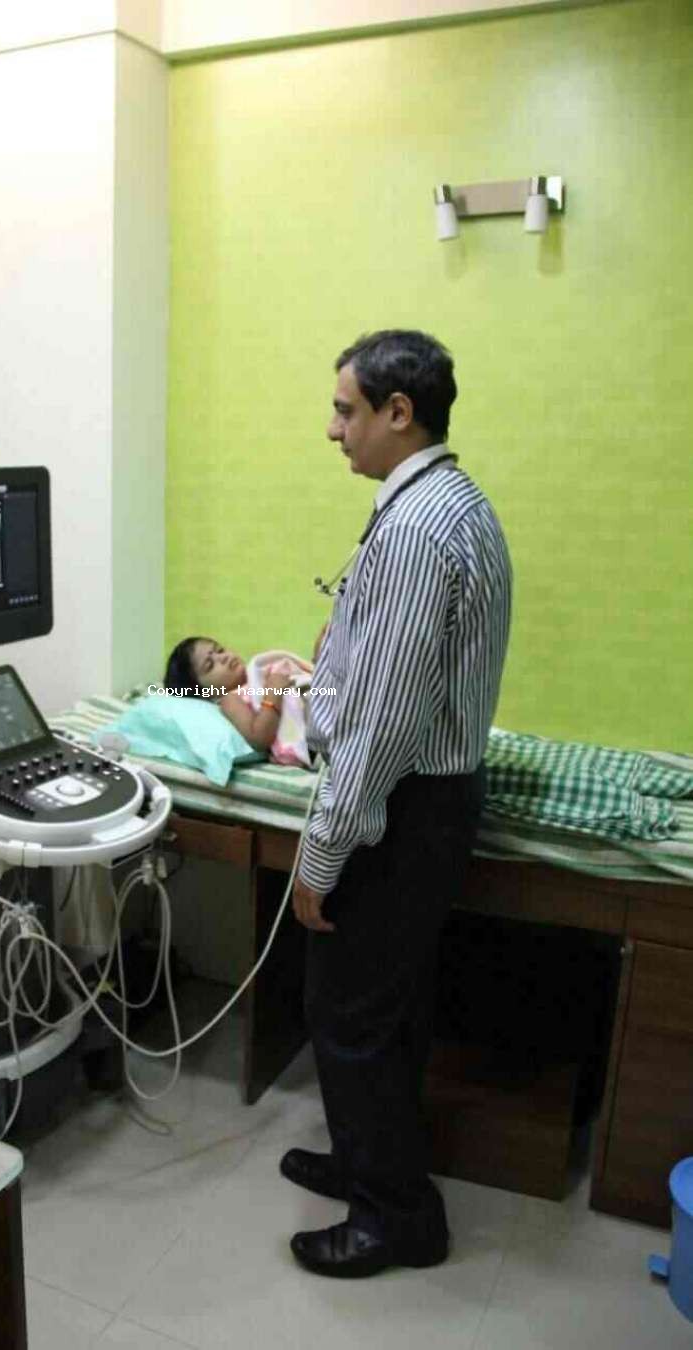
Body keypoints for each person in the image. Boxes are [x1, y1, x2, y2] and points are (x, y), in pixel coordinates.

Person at [284, 329, 512, 1278]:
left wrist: (319, 856)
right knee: (390, 1007)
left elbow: (381, 726)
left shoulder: (417, 530)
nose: (332, 429)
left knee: (349, 1016)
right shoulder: (448, 503)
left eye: (345, 411)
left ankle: (395, 1219)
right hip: (429, 800)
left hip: (404, 809)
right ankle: (365, 1161)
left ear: (398, 412)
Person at [163, 637, 313, 762]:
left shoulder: (257, 673)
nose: (223, 657)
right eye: (210, 665)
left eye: (220, 650)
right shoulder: (230, 699)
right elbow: (259, 738)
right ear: (206, 693)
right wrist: (273, 692)